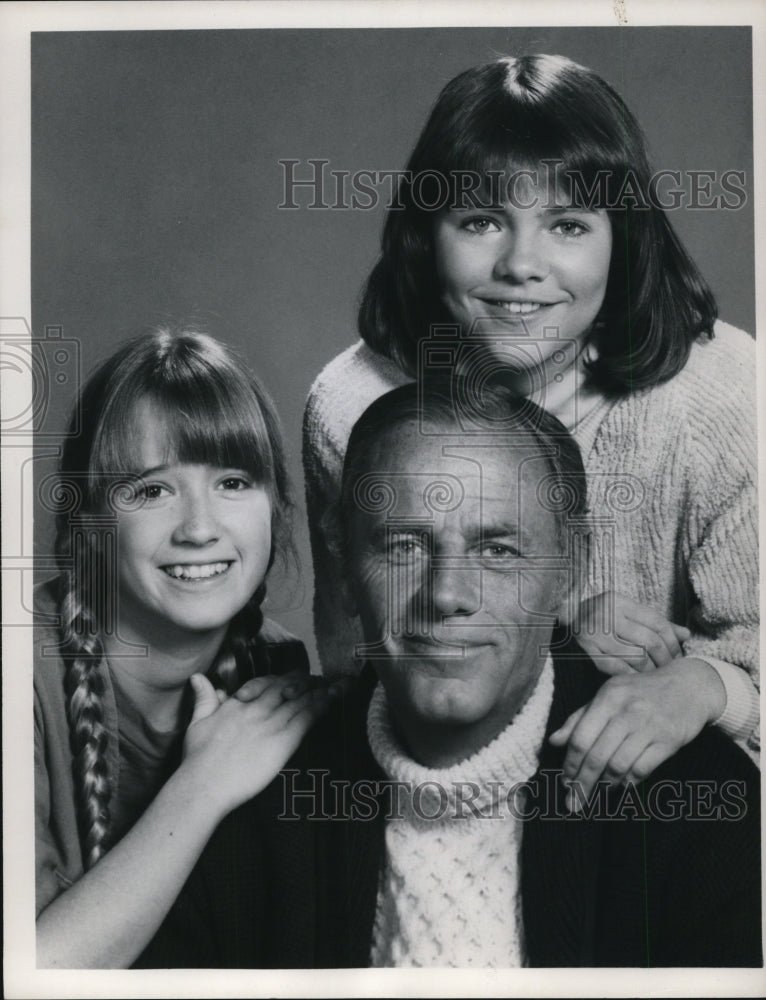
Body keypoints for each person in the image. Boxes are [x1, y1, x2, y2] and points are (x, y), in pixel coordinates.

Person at [141, 379, 761, 968]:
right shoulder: (252, 787)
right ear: (346, 565)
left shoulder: (696, 802)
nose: (447, 595)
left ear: (570, 571)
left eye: (498, 550)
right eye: (403, 545)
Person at [303, 54, 759, 797]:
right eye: (480, 220)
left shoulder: (727, 393)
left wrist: (702, 683)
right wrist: (562, 633)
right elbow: (361, 660)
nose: (522, 264)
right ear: (426, 233)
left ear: (624, 238)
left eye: (568, 224)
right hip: (439, 793)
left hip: (654, 818)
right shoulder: (352, 403)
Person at [34, 328, 336, 968]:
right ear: (89, 523)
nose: (200, 529)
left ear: (276, 509)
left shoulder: (275, 671)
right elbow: (34, 971)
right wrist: (203, 786)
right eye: (151, 490)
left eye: (232, 482)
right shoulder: (21, 677)